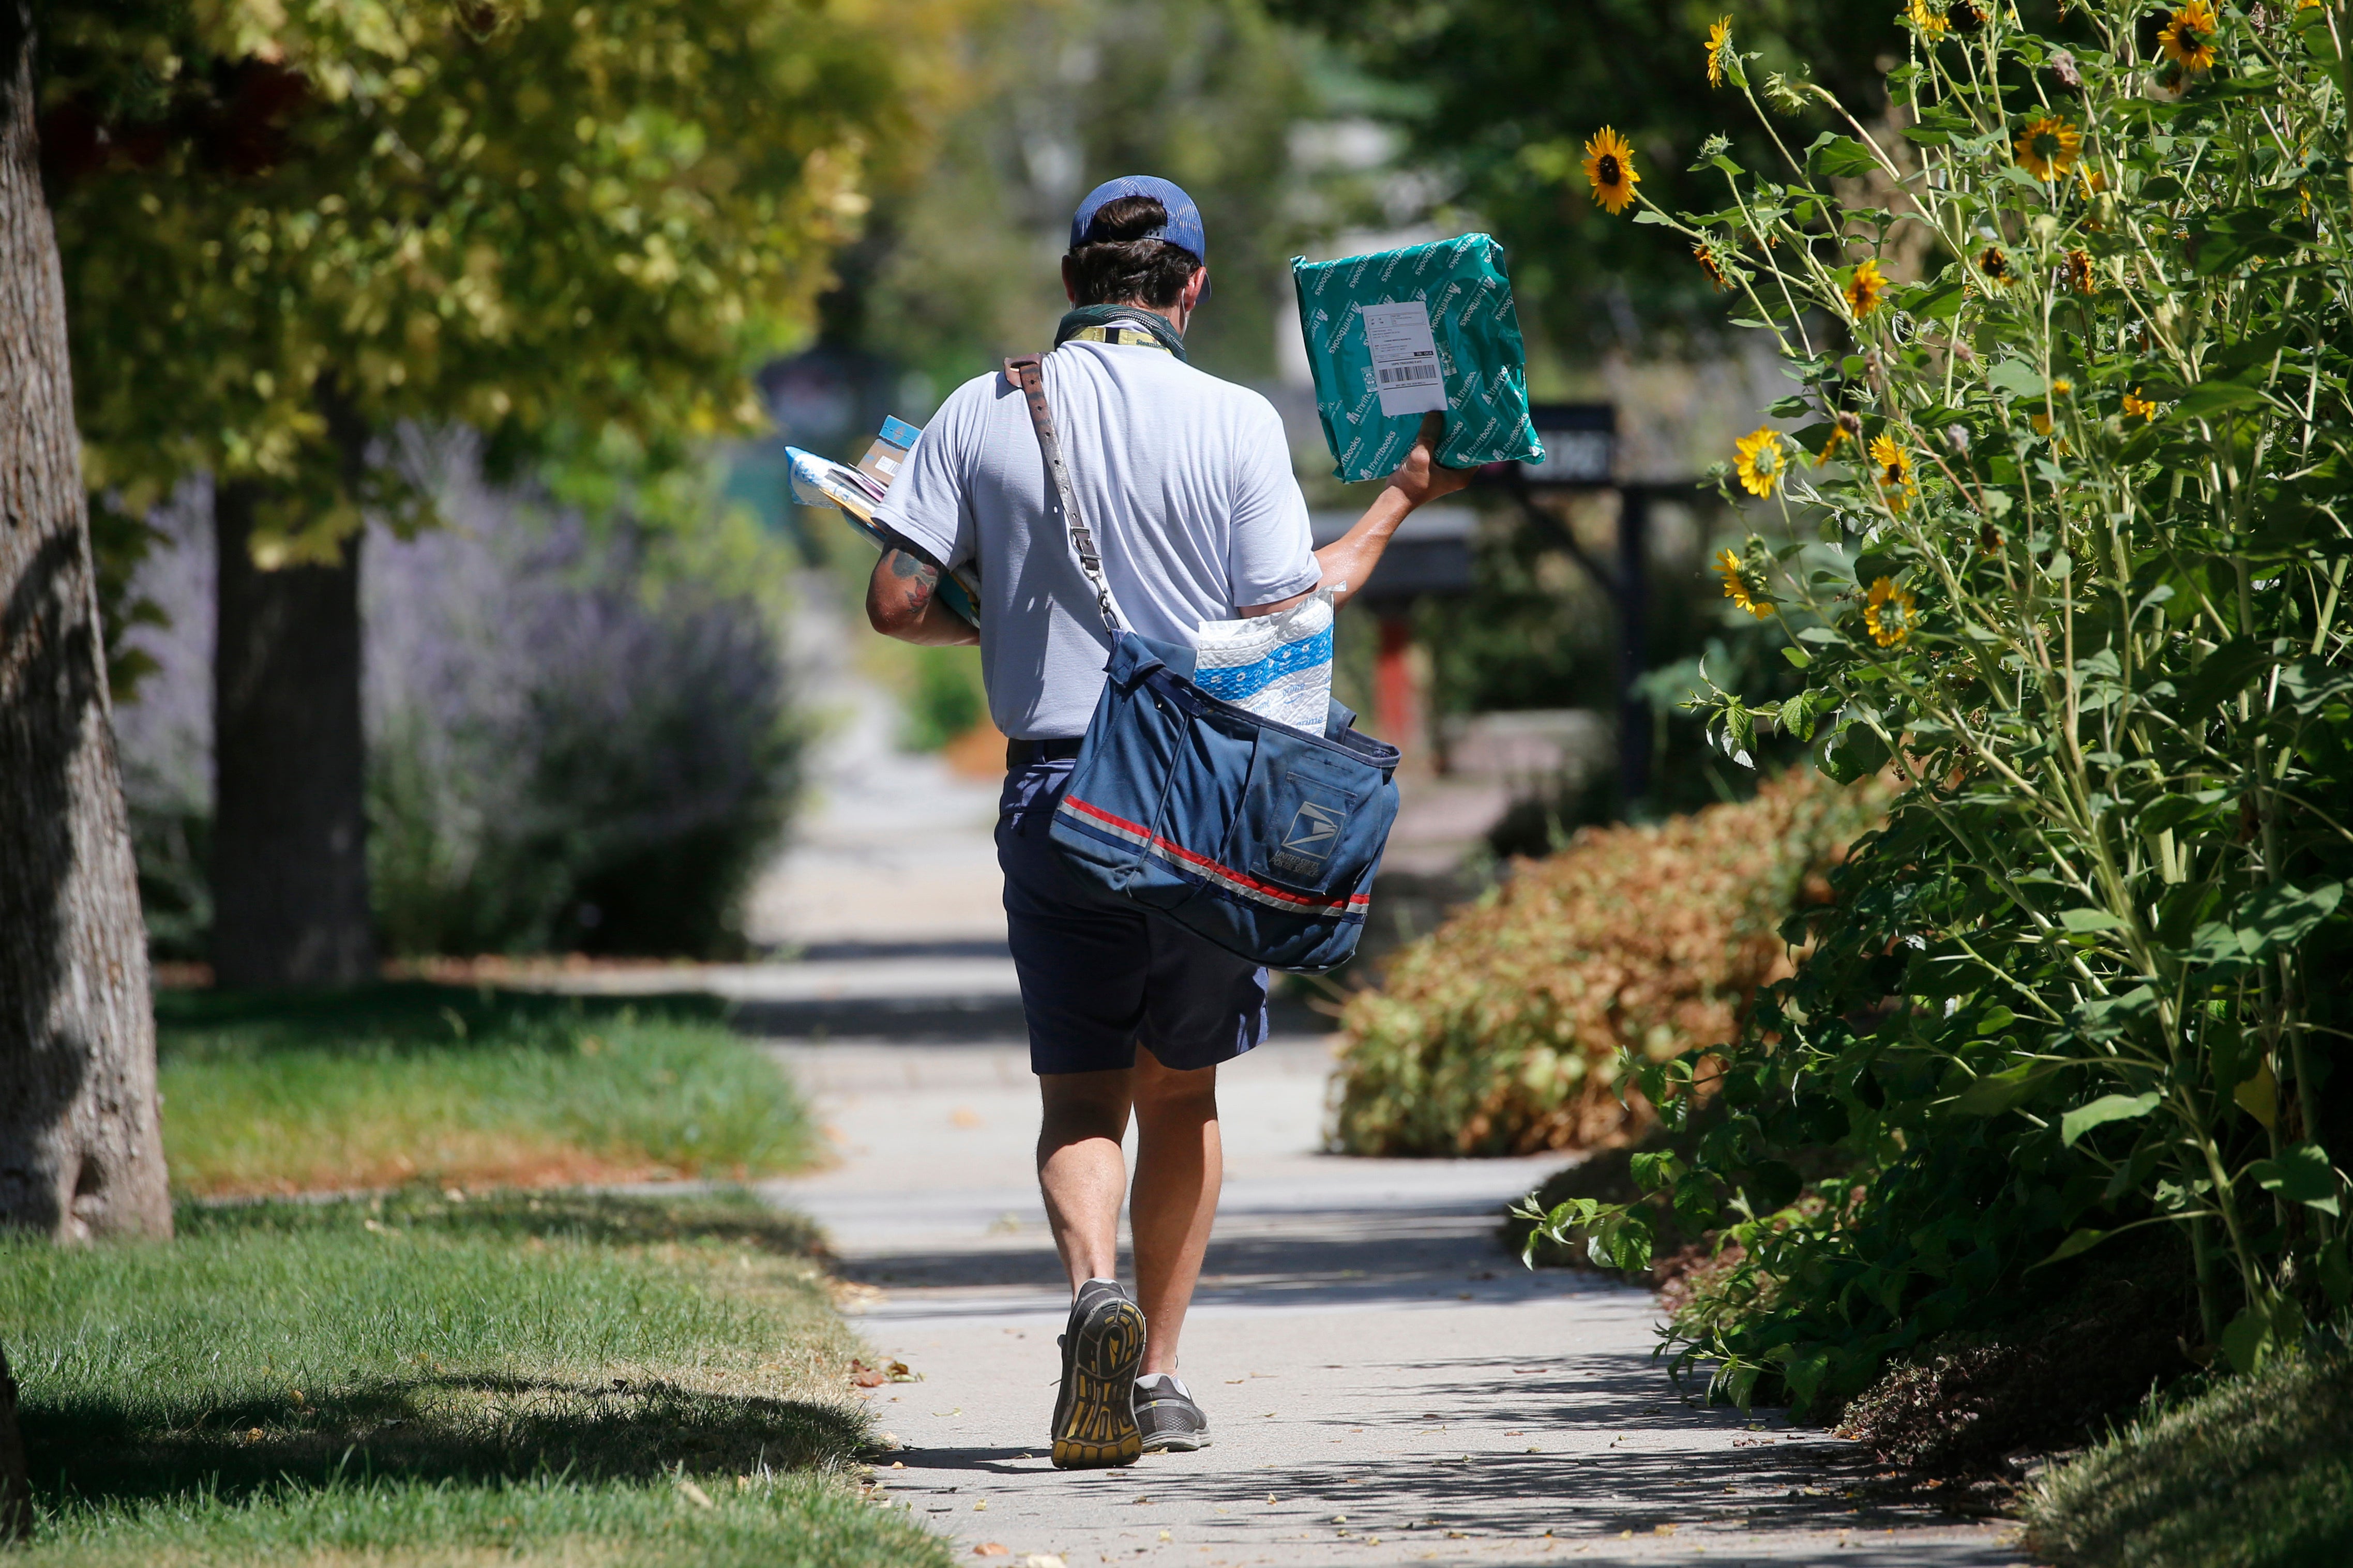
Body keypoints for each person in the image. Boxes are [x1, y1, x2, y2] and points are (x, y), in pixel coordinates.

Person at [865, 174, 1471, 1469]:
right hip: (1202, 795)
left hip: (1057, 790)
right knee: (1181, 1088)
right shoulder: (1236, 420)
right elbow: (1287, 609)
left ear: (1073, 277)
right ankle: (1157, 1375)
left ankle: (1093, 1291)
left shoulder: (981, 407)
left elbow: (896, 598)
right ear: (1187, 286)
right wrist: (1398, 500)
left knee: (1080, 1090)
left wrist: (1000, 613)